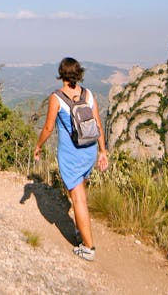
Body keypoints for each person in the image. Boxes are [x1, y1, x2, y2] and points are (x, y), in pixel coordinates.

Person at [33, 57, 109, 261]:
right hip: (89, 150)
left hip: (71, 154)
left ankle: (89, 248)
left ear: (61, 74)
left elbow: (48, 127)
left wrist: (38, 146)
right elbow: (98, 125)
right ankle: (80, 230)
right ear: (78, 73)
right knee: (80, 191)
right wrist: (103, 151)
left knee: (78, 198)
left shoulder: (56, 97)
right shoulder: (88, 94)